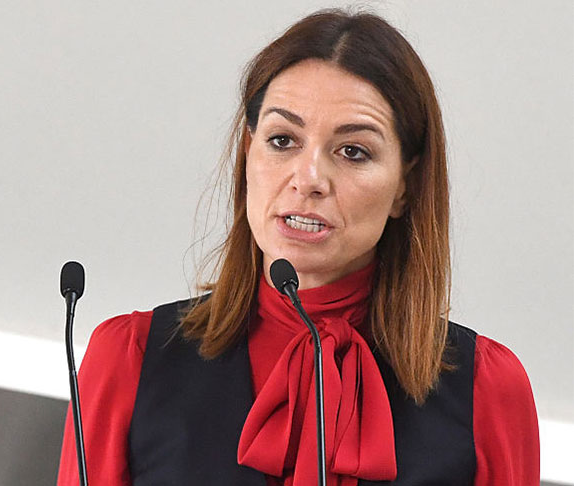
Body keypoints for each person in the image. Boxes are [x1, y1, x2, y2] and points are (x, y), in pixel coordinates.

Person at [57, 9, 539, 486]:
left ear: (404, 187)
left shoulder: (488, 392)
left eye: (353, 151)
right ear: (248, 156)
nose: (308, 179)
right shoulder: (129, 359)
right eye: (282, 140)